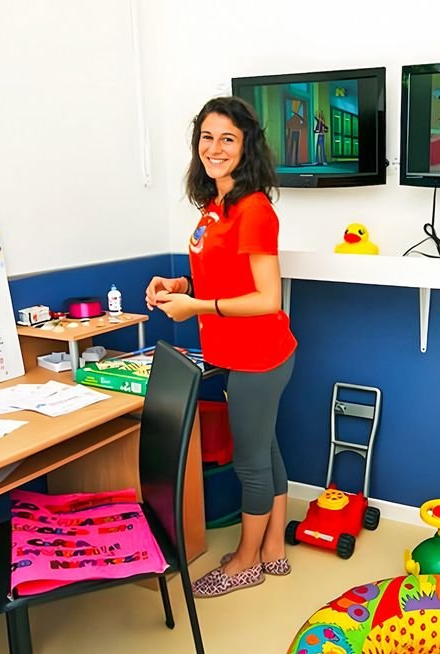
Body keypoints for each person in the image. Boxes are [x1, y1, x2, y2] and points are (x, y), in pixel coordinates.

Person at [146, 96, 297, 598]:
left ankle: (245, 562)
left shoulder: (254, 210)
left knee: (251, 463)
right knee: (266, 451)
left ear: (246, 146)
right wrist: (181, 286)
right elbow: (223, 276)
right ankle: (273, 549)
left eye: (227, 139)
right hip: (238, 354)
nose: (214, 148)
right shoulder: (215, 207)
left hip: (259, 357)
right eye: (207, 138)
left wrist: (197, 307)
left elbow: (267, 299)